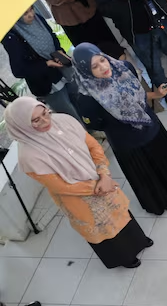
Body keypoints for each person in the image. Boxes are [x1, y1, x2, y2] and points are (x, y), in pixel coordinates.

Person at [4, 97, 152, 268]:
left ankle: (138, 241)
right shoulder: (28, 156)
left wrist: (104, 175)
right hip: (78, 198)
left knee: (121, 214)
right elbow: (61, 186)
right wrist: (99, 186)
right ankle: (124, 258)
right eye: (36, 120)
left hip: (102, 181)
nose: (45, 121)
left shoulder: (64, 121)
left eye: (45, 113)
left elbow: (93, 146)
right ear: (22, 126)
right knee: (102, 229)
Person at [71, 43, 167, 216]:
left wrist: (157, 95)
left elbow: (139, 95)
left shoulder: (124, 68)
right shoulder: (86, 98)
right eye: (94, 66)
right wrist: (117, 115)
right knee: (147, 174)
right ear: (85, 71)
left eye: (102, 60)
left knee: (165, 158)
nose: (103, 67)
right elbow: (94, 124)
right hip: (127, 142)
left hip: (149, 125)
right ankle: (163, 200)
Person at [2, 5, 83, 124]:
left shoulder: (38, 19)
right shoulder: (12, 37)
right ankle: (84, 137)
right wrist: (47, 64)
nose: (31, 15)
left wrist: (58, 51)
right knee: (68, 112)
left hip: (63, 71)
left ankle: (91, 129)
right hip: (46, 82)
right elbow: (18, 70)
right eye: (25, 13)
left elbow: (52, 36)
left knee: (78, 101)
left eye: (31, 9)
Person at [42, 0, 127, 60]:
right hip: (69, 18)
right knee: (88, 53)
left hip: (88, 8)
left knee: (109, 44)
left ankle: (123, 67)